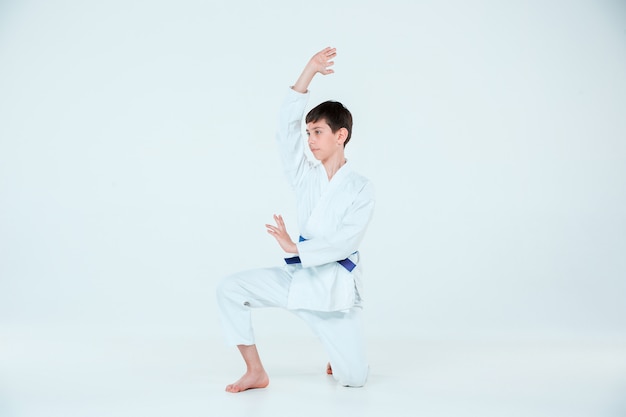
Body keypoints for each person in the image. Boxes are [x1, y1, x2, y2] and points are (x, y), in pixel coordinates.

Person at [216, 47, 375, 393]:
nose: (310, 140)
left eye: (318, 132)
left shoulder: (361, 189)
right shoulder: (305, 176)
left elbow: (345, 242)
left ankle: (339, 351)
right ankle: (255, 371)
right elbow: (284, 132)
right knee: (230, 288)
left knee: (354, 379)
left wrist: (295, 247)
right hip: (299, 280)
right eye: (309, 133)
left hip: (334, 291)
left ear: (341, 135)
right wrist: (309, 72)